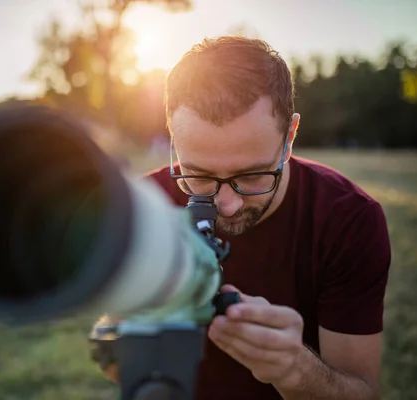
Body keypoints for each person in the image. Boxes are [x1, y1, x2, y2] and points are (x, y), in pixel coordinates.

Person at [91, 35, 391, 400]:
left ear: (290, 136)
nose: (226, 204)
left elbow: (362, 392)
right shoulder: (141, 209)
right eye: (198, 175)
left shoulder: (348, 220)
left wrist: (297, 370)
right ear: (172, 135)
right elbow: (113, 361)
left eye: (251, 176)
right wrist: (122, 338)